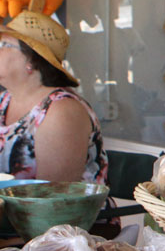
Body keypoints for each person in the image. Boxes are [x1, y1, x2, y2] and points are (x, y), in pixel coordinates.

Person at [0, 11, 108, 185]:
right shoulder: (4, 100)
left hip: (60, 212)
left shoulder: (61, 111)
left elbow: (53, 198)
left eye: (3, 44)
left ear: (31, 61)